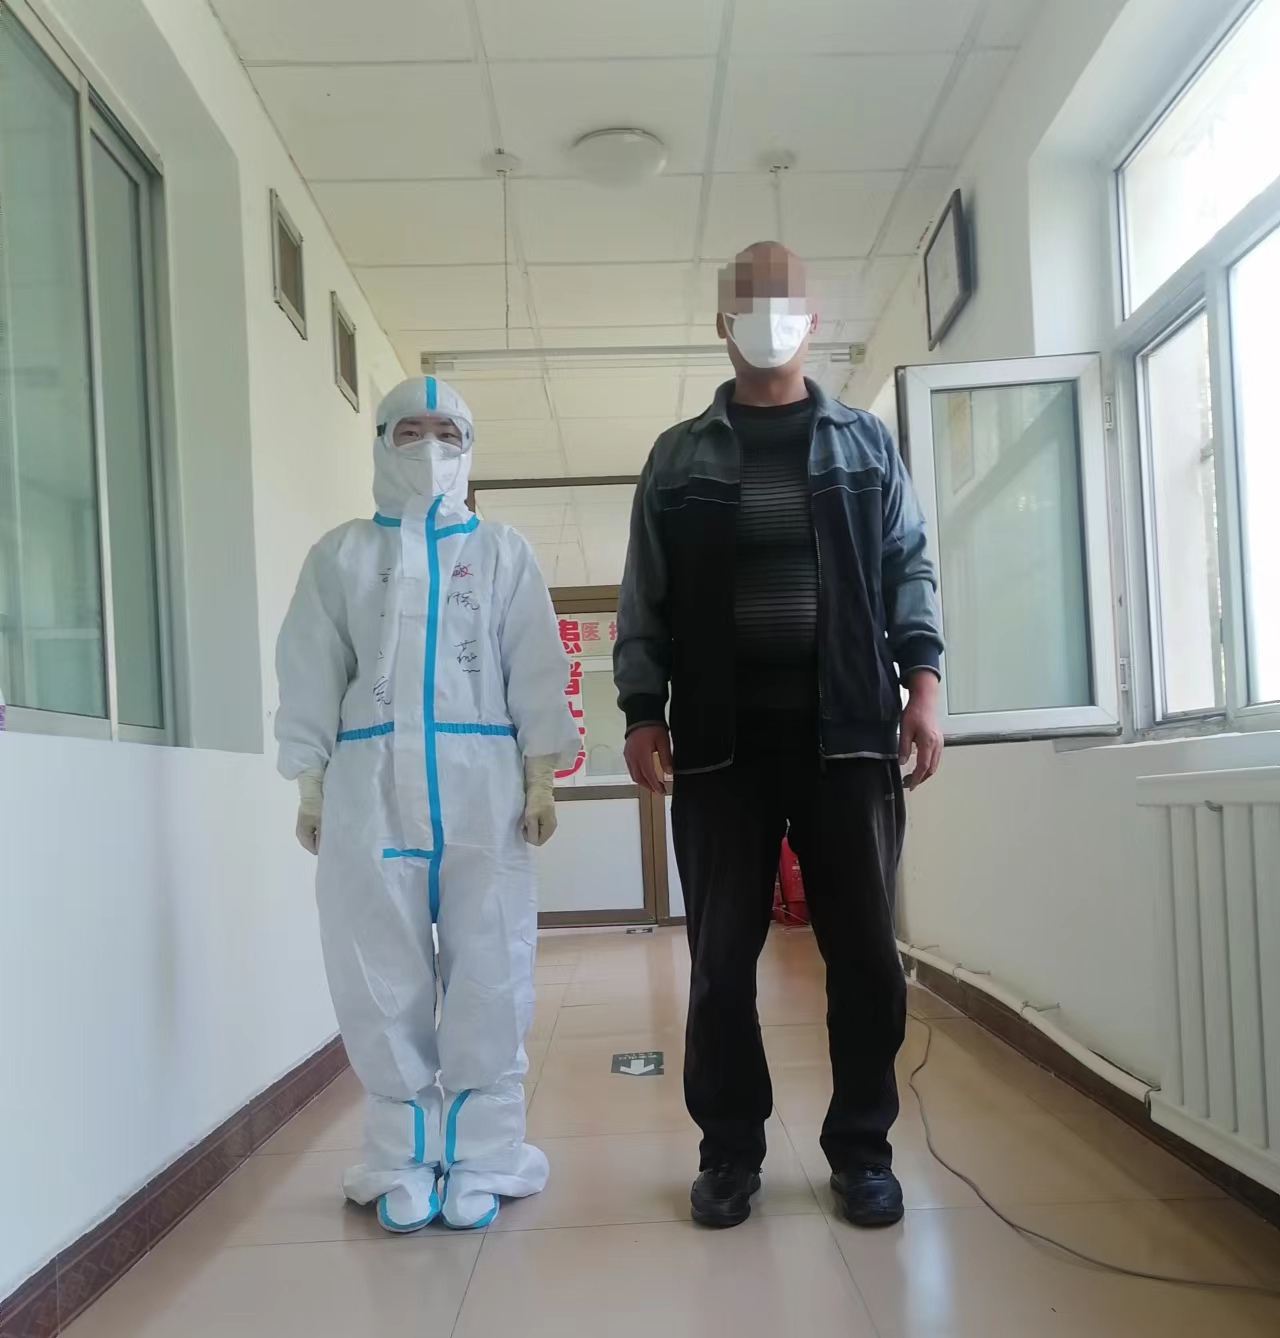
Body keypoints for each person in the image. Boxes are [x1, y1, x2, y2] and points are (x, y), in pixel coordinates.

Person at [615, 241, 944, 1231]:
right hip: (721, 749)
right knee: (721, 966)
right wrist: (641, 710)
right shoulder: (678, 458)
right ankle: (728, 1153)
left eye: (782, 300)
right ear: (722, 322)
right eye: (747, 303)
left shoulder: (864, 444)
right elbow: (644, 597)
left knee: (865, 959)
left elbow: (907, 569)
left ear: (812, 318)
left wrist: (923, 687)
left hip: (848, 737)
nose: (767, 318)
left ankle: (861, 1152)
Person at [276, 375, 579, 1232]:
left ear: (469, 447)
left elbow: (536, 666)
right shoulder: (339, 556)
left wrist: (541, 772)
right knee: (377, 974)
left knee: (492, 970)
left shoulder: (503, 552)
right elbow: (309, 669)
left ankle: (486, 1154)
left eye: (448, 433)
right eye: (410, 431)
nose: (430, 447)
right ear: (380, 442)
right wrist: (309, 780)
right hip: (368, 790)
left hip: (483, 789)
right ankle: (399, 1157)